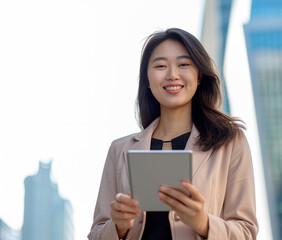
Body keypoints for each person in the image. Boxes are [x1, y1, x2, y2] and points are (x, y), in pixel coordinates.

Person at [88, 28, 258, 240]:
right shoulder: (119, 150)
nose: (172, 75)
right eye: (160, 66)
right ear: (148, 81)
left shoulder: (230, 143)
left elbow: (246, 233)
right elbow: (96, 233)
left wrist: (203, 223)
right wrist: (119, 226)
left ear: (199, 76)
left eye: (183, 64)